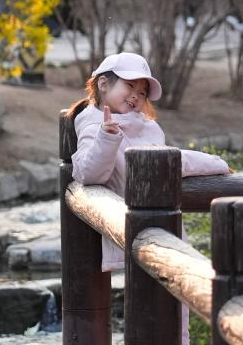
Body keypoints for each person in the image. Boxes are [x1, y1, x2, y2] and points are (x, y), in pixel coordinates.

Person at [67, 52, 231, 345]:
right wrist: (107, 137)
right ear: (103, 84)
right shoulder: (94, 125)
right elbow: (88, 173)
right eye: (129, 86)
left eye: (142, 92)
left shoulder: (144, 125)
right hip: (138, 230)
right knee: (156, 308)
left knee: (177, 307)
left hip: (161, 225)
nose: (136, 96)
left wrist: (215, 164)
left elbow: (171, 161)